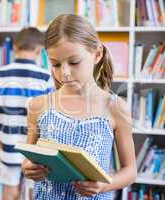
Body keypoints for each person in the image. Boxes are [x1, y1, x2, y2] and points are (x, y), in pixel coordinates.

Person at [22, 14, 137, 199]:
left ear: (97, 54)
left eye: (74, 62)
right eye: (56, 64)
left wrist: (105, 185)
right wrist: (28, 168)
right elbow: (29, 157)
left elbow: (130, 171)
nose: (65, 73)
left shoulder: (116, 107)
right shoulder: (38, 105)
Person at [0, 27, 54, 200]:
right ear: (40, 50)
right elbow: (50, 112)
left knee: (10, 190)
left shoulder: (1, 73)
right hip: (35, 147)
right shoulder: (45, 76)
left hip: (9, 143)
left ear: (15, 48)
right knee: (35, 191)